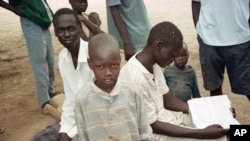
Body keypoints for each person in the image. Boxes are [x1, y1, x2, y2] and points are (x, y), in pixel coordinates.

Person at [119, 21, 228, 140]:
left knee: (226, 127)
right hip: (155, 135)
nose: (173, 60)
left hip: (170, 119)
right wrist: (200, 133)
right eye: (172, 55)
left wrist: (210, 111)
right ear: (158, 47)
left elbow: (168, 101)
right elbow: (152, 125)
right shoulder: (137, 77)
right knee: (220, 137)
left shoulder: (152, 63)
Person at [74, 33, 152, 140]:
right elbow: (83, 136)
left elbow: (144, 132)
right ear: (90, 63)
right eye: (100, 66)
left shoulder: (133, 92)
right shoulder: (82, 99)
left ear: (120, 61)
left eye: (114, 65)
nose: (108, 72)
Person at [31, 8, 93, 141]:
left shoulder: (93, 54)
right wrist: (64, 129)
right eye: (61, 30)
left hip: (99, 121)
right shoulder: (64, 58)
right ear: (55, 32)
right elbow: (71, 100)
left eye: (71, 29)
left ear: (79, 28)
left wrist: (69, 135)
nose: (66, 34)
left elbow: (98, 107)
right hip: (76, 119)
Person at [0, 0, 60, 118]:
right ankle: (44, 102)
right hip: (31, 19)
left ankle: (50, 92)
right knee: (39, 62)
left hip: (42, 20)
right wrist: (15, 10)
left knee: (49, 59)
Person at [192, 0, 250, 101]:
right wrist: (199, 30)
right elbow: (196, 2)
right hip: (208, 39)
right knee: (214, 89)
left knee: (247, 87)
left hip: (240, 38)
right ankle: (220, 116)